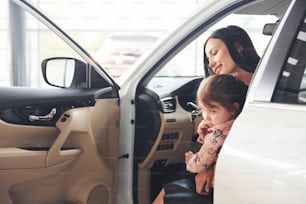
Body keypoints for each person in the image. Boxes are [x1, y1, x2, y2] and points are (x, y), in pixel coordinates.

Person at [152, 25, 260, 204]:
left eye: (214, 52)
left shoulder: (264, 91)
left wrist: (208, 168)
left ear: (238, 47)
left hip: (240, 175)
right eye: (208, 57)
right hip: (223, 166)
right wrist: (204, 138)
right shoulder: (228, 91)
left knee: (169, 194)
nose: (210, 63)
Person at [153, 74, 248, 204]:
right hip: (231, 182)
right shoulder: (236, 123)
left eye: (213, 111)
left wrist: (190, 159)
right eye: (204, 110)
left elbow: (199, 165)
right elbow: (214, 150)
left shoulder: (218, 133)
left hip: (215, 186)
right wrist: (204, 137)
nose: (207, 117)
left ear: (234, 108)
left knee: (169, 189)